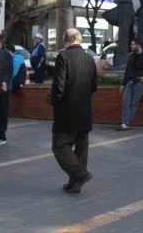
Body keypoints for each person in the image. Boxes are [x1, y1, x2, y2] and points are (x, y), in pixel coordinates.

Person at [49, 29, 98, 194]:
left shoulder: (63, 57)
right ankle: (75, 184)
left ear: (66, 40)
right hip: (85, 109)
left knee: (60, 145)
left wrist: (53, 101)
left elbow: (59, 87)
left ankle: (79, 174)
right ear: (79, 39)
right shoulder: (89, 59)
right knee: (82, 148)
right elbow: (93, 87)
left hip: (66, 111)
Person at [118, 39, 143, 131]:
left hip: (140, 82)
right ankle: (124, 123)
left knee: (133, 103)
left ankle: (125, 123)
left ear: (138, 46)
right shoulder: (131, 56)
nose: (131, 46)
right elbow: (127, 71)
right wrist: (123, 84)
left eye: (133, 44)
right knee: (125, 101)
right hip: (131, 81)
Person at [0, 34, 12, 145]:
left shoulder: (6, 55)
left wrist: (4, 82)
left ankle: (1, 135)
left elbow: (9, 71)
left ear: (0, 42)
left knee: (2, 111)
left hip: (4, 87)